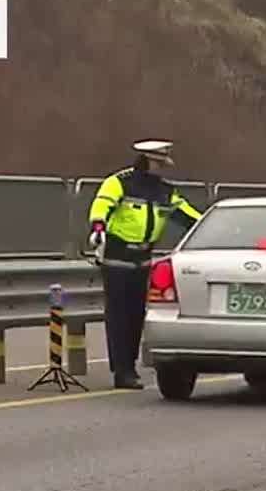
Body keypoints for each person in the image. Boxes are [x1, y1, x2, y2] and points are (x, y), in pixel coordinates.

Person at [87, 140, 205, 388]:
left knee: (137, 315)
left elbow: (189, 217)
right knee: (119, 315)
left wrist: (215, 228)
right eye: (159, 163)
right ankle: (122, 370)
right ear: (147, 161)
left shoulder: (165, 191)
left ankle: (129, 365)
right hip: (118, 257)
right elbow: (102, 204)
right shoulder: (120, 182)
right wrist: (98, 227)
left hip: (143, 259)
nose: (162, 168)